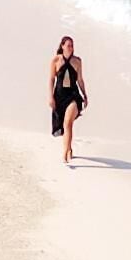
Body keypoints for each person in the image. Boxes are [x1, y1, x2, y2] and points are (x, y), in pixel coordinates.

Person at [46, 35, 89, 166]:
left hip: (73, 95)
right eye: (68, 45)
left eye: (72, 45)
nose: (71, 47)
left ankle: (65, 152)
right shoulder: (55, 60)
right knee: (65, 125)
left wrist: (85, 95)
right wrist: (50, 97)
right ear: (62, 46)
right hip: (59, 95)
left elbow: (80, 80)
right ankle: (69, 147)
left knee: (68, 123)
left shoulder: (77, 61)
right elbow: (51, 79)